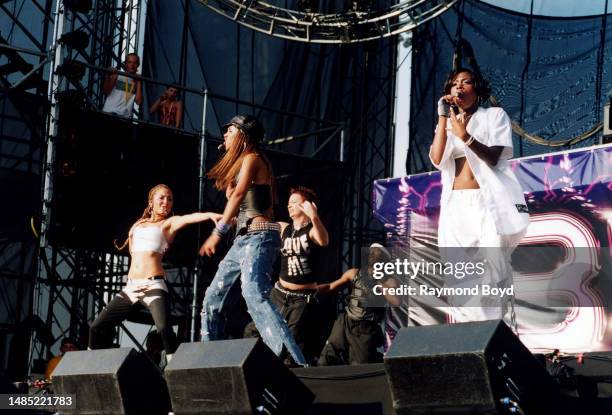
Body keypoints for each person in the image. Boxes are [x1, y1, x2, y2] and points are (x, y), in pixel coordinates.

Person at [199, 114, 307, 366]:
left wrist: (218, 232)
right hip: (243, 240)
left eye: (230, 131)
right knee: (212, 297)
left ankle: (291, 359)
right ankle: (207, 361)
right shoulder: (243, 163)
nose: (224, 135)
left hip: (259, 237)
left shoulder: (253, 158)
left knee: (253, 293)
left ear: (244, 135)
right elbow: (240, 201)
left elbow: (238, 195)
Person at [429, 67, 530, 322]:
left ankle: (500, 332)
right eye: (454, 84)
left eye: (466, 82)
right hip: (455, 207)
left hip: (487, 203)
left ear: (477, 89)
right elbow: (437, 158)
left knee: (493, 270)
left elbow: (494, 157)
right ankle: (468, 338)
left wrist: (465, 136)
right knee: (459, 274)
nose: (459, 87)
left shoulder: (494, 116)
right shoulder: (448, 124)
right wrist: (443, 119)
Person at [89, 184, 221, 356]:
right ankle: (87, 368)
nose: (166, 202)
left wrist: (210, 215)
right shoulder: (137, 225)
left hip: (153, 286)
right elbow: (134, 254)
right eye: (162, 198)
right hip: (131, 288)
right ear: (151, 202)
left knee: (164, 329)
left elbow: (189, 218)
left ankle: (173, 367)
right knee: (96, 327)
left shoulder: (168, 224)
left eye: (170, 199)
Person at [244, 186, 329, 360]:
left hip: (301, 299)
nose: (289, 206)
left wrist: (314, 216)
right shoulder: (284, 228)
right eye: (289, 203)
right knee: (252, 330)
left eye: (294, 202)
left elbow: (323, 240)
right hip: (279, 293)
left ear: (306, 206)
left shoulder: (312, 230)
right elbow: (262, 225)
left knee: (292, 342)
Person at [318, 243, 399, 366]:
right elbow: (330, 286)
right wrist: (313, 289)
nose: (372, 253)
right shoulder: (355, 273)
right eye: (371, 250)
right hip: (345, 322)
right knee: (326, 360)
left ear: (384, 258)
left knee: (359, 366)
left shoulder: (389, 280)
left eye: (377, 251)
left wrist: (378, 281)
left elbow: (396, 301)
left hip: (365, 328)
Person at [101, 53, 143, 117]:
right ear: (126, 64)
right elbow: (105, 92)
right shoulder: (117, 74)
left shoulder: (137, 81)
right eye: (129, 62)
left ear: (138, 65)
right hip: (109, 112)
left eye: (135, 63)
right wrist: (108, 77)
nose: (132, 65)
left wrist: (139, 82)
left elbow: (138, 102)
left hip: (125, 117)